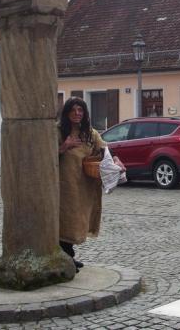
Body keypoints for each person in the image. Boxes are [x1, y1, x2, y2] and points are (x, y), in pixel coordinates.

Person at [58, 96, 111, 272]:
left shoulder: (90, 133)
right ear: (67, 113)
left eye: (80, 110)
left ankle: (69, 256)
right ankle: (67, 258)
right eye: (73, 110)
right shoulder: (58, 131)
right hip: (65, 186)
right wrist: (64, 146)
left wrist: (116, 161)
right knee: (66, 221)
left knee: (80, 220)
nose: (77, 113)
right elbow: (44, 158)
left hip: (85, 186)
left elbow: (104, 150)